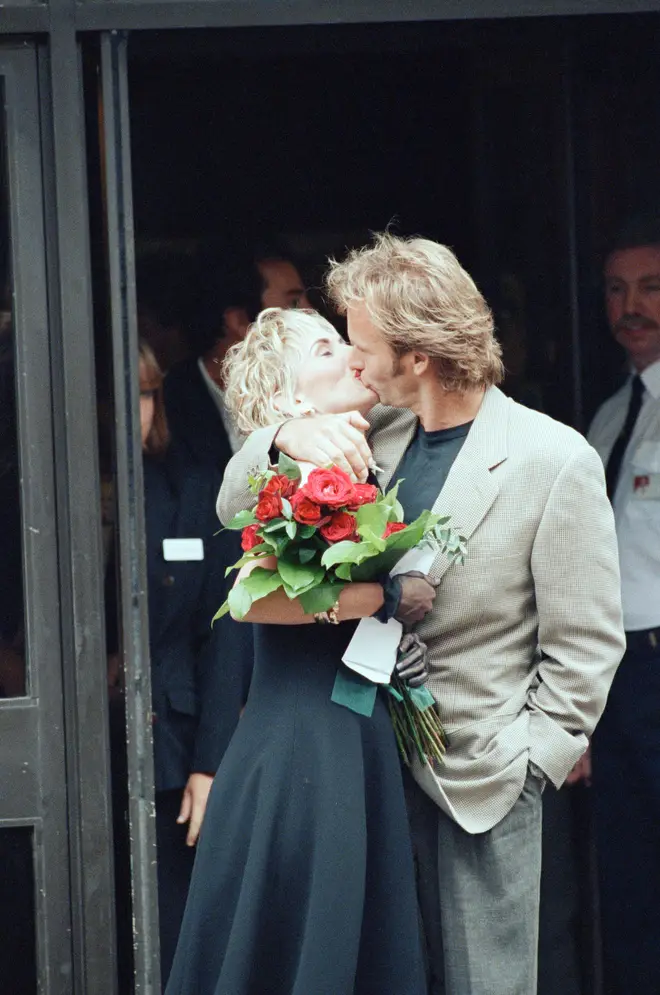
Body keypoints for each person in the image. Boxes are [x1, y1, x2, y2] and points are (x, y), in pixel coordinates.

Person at [217, 233, 625, 995]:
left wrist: (528, 762)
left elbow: (587, 647)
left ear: (417, 355)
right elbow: (232, 501)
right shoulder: (372, 436)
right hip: (368, 776)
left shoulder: (553, 457)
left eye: (364, 346)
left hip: (480, 785)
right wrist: (283, 434)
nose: (354, 362)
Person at [166, 308, 437, 995]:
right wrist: (385, 596)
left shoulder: (373, 450)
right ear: (287, 400)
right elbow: (254, 601)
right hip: (305, 747)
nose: (351, 355)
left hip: (358, 733)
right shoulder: (281, 472)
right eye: (326, 346)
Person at [108, 342, 252, 990]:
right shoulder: (24, 490)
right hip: (64, 758)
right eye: (115, 396)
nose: (131, 412)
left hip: (172, 752)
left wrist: (210, 762)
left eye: (143, 394)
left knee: (173, 943)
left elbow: (223, 632)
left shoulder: (196, 485)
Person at [587, 217, 660, 995]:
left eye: (649, 287)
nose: (629, 305)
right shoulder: (609, 414)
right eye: (616, 289)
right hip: (616, 677)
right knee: (629, 879)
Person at [163, 245, 311, 469]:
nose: (311, 313)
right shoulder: (169, 405)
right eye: (293, 303)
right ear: (240, 321)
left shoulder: (314, 392)